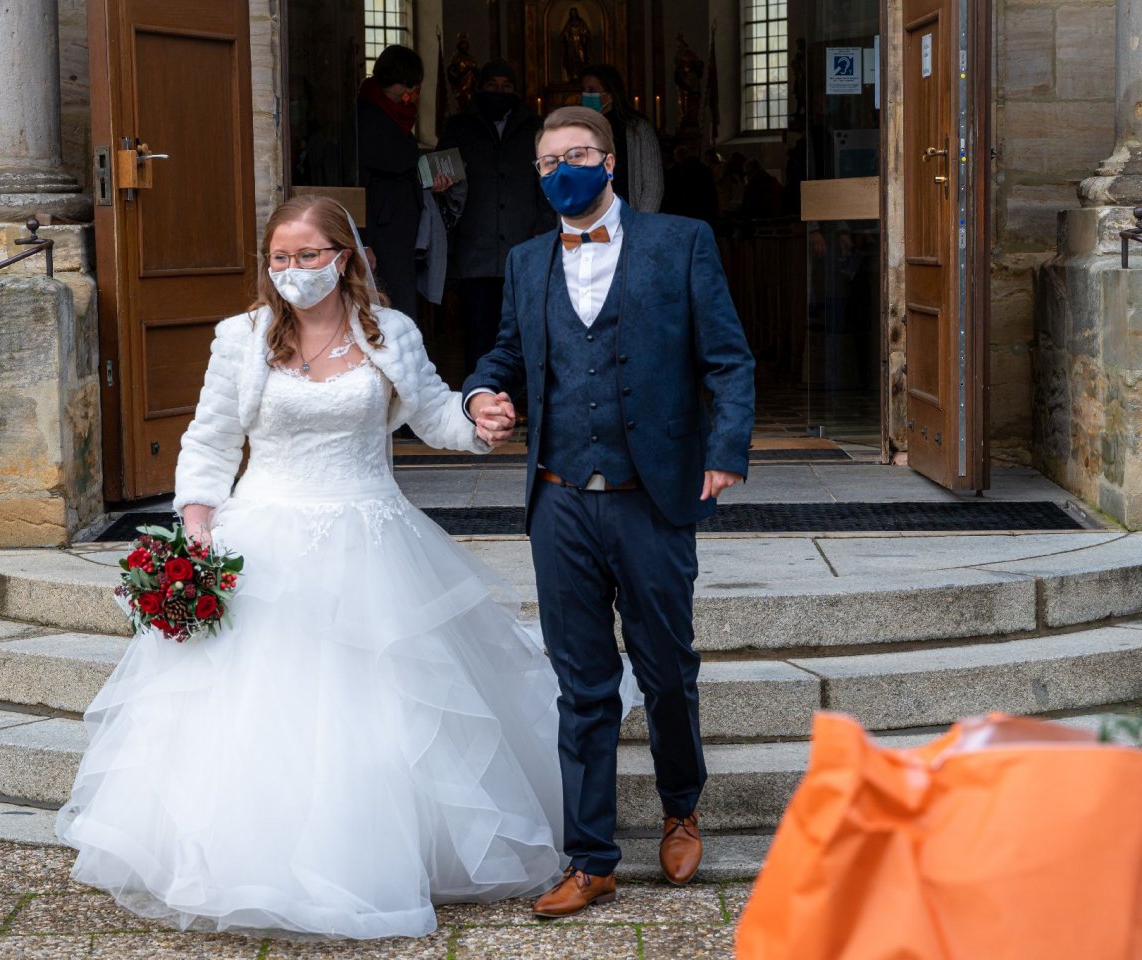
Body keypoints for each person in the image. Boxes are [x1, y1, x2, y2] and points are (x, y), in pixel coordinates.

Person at [56, 195, 568, 939]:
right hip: (264, 541)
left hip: (373, 540)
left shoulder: (390, 332)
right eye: (279, 257)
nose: (292, 270)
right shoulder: (241, 338)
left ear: (343, 257)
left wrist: (480, 422)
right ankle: (252, 865)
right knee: (259, 716)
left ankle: (382, 859)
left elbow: (434, 414)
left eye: (307, 255)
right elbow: (209, 438)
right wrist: (196, 524)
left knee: (385, 711)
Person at [463, 106, 755, 917]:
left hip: (650, 500)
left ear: (610, 161)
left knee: (666, 670)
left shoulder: (681, 242)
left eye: (579, 154)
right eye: (549, 161)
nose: (565, 170)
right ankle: (590, 857)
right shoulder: (525, 260)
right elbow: (507, 352)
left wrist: (726, 450)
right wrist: (482, 392)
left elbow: (727, 359)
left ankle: (680, 808)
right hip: (559, 502)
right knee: (581, 685)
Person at [436, 59, 553, 376]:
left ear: (515, 90)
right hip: (476, 249)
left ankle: (519, 395)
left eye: (506, 86)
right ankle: (481, 393)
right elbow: (439, 179)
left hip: (523, 246)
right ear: (480, 88)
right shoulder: (459, 127)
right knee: (478, 332)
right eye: (492, 85)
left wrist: (543, 227)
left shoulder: (535, 128)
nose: (499, 92)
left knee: (523, 331)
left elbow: (548, 183)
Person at [357, 44, 450, 317]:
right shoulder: (365, 116)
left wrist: (429, 181)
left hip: (400, 226)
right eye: (404, 84)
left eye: (413, 85)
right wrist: (364, 242)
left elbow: (402, 165)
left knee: (401, 297)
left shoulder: (394, 114)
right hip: (382, 229)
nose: (408, 93)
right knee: (390, 301)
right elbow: (361, 182)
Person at [579, 64, 663, 213]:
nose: (586, 96)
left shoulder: (638, 130)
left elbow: (653, 185)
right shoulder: (579, 130)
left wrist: (640, 222)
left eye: (592, 91)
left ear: (610, 94)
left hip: (627, 215)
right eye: (584, 90)